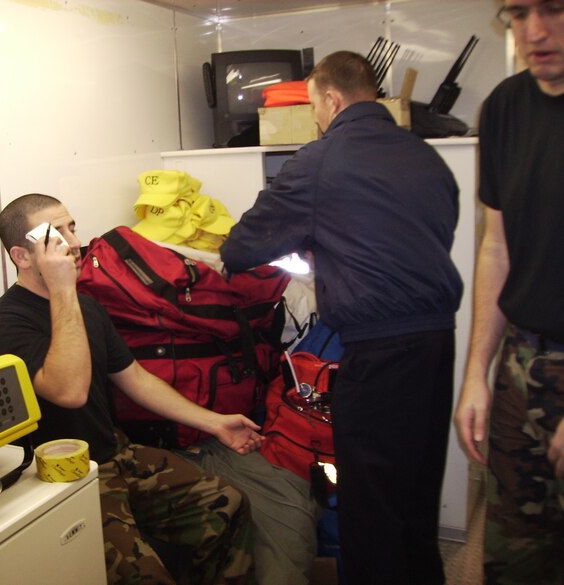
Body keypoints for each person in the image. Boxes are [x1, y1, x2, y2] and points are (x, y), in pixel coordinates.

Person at [220, 51, 463, 585]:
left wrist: (313, 241)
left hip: (377, 354)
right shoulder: (425, 156)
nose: (314, 119)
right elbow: (425, 237)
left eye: (313, 107)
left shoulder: (320, 158)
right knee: (416, 496)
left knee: (368, 507)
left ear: (330, 100)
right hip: (436, 344)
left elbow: (241, 247)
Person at [0, 193, 261, 585]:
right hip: (59, 476)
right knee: (142, 576)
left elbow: (135, 378)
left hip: (115, 452)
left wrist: (214, 423)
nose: (74, 243)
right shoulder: (7, 324)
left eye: (72, 228)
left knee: (227, 504)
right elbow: (70, 392)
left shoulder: (87, 308)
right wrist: (62, 290)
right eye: (53, 235)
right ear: (22, 257)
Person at [453, 1, 564, 583]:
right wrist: (478, 372)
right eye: (518, 13)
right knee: (516, 556)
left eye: (555, 9)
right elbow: (497, 246)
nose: (534, 32)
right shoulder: (503, 108)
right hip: (523, 363)